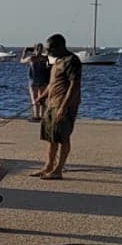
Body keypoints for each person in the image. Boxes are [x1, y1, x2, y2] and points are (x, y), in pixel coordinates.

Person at [38, 33, 82, 180]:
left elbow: (74, 85)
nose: (48, 52)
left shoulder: (72, 61)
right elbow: (53, 84)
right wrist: (43, 96)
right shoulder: (58, 61)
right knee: (51, 137)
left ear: (60, 46)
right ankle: (49, 166)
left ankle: (58, 170)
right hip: (52, 103)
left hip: (64, 104)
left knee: (63, 137)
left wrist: (64, 106)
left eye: (50, 49)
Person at [20, 42, 49, 122]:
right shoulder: (45, 58)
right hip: (43, 79)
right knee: (42, 99)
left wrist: (24, 53)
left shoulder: (31, 58)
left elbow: (21, 61)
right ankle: (42, 116)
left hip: (33, 80)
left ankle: (36, 116)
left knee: (34, 98)